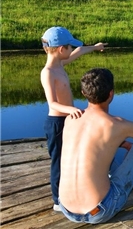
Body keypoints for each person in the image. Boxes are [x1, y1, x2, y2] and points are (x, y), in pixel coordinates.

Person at [58, 68, 133, 224]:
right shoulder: (117, 125)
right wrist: (132, 145)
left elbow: (93, 139)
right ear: (111, 94)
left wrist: (123, 143)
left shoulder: (71, 119)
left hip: (66, 209)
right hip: (99, 211)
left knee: (100, 150)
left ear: (83, 92)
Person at [40, 26, 107, 211]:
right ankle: (57, 201)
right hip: (56, 123)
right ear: (61, 49)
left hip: (67, 120)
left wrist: (95, 47)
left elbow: (80, 50)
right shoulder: (48, 73)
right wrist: (71, 109)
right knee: (58, 161)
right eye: (69, 46)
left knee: (69, 158)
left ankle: (73, 190)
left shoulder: (60, 63)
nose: (71, 50)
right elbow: (52, 103)